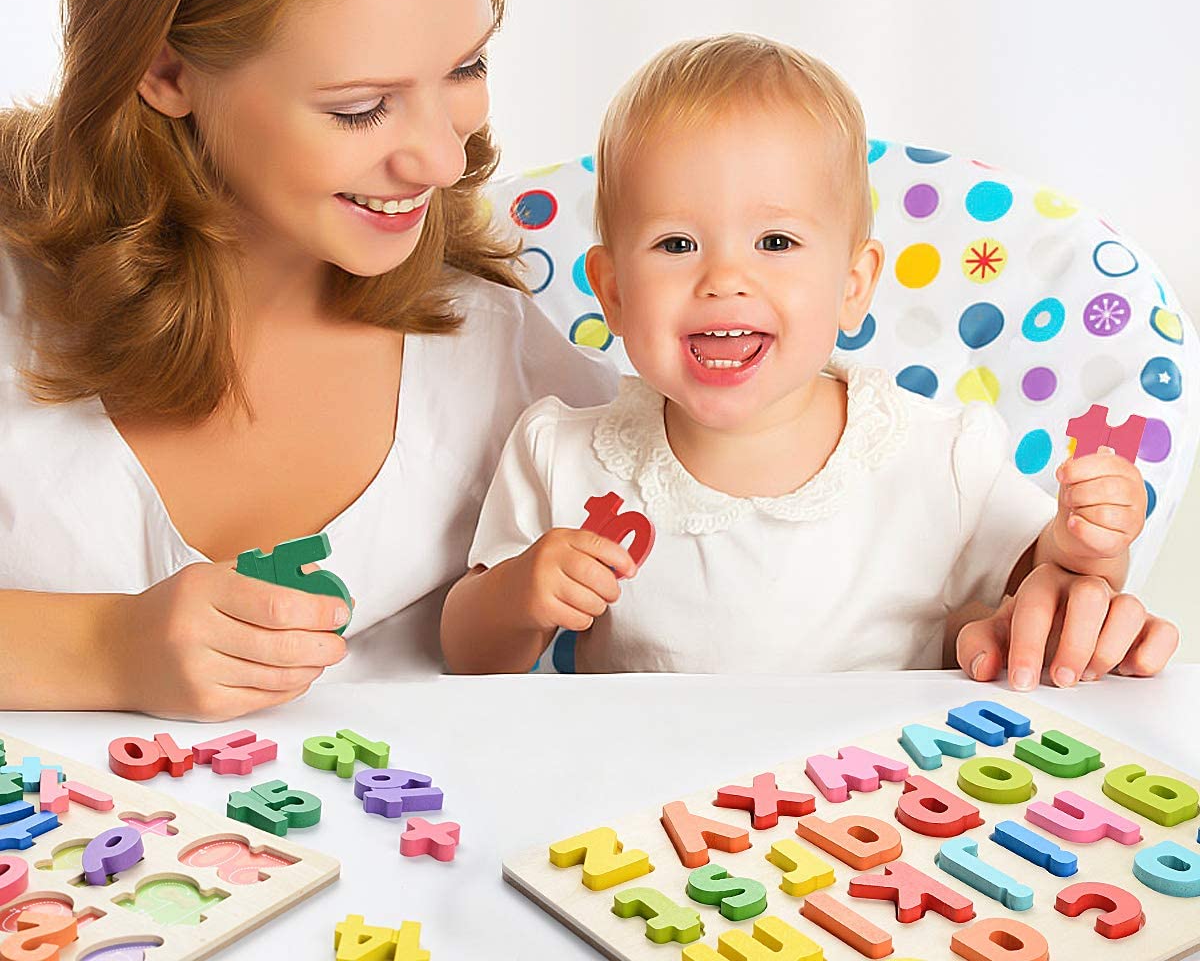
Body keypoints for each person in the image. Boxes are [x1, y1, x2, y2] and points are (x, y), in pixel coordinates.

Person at [0, 0, 616, 719]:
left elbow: (734, 531)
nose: (440, 164)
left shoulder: (493, 349)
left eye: (465, 67)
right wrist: (104, 649)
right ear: (165, 69)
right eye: (361, 108)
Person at [441, 34, 1180, 685]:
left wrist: (1084, 542)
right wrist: (519, 595)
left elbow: (1040, 590)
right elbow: (466, 654)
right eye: (676, 245)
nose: (723, 278)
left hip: (868, 800)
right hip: (653, 816)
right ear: (613, 292)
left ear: (852, 288)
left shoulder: (937, 454)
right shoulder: (562, 454)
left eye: (775, 243)